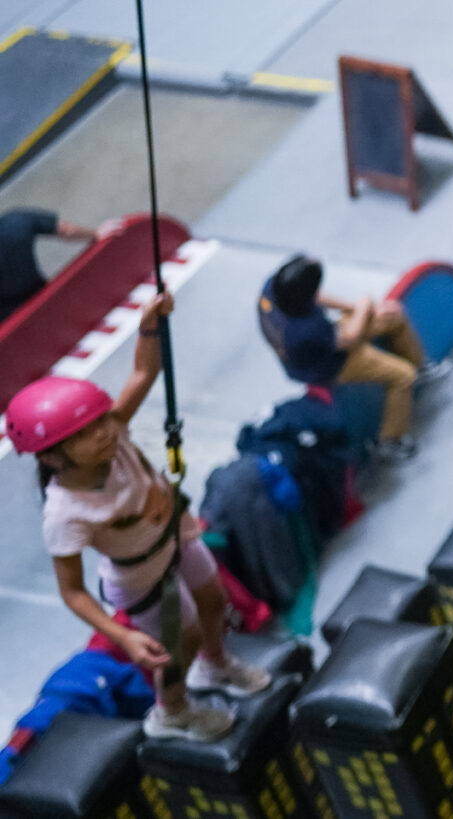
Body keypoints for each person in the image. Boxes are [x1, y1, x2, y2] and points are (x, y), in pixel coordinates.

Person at [7, 293, 272, 742]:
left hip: (177, 537)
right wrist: (123, 637)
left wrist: (149, 325)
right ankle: (172, 712)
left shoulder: (114, 435)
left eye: (102, 421)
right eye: (86, 433)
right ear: (52, 456)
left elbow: (145, 372)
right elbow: (73, 592)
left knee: (213, 603)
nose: (105, 431)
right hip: (147, 580)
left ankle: (216, 666)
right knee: (178, 643)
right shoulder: (65, 512)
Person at [255, 256, 447, 462]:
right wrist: (364, 306)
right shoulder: (304, 330)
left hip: (325, 341)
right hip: (329, 363)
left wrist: (353, 309)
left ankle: (420, 365)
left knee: (393, 317)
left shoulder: (274, 290)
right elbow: (349, 338)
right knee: (403, 376)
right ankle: (390, 440)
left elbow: (315, 298)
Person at [1, 208, 95, 323]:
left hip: (8, 324)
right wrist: (95, 234)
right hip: (43, 300)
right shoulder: (16, 221)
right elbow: (68, 230)